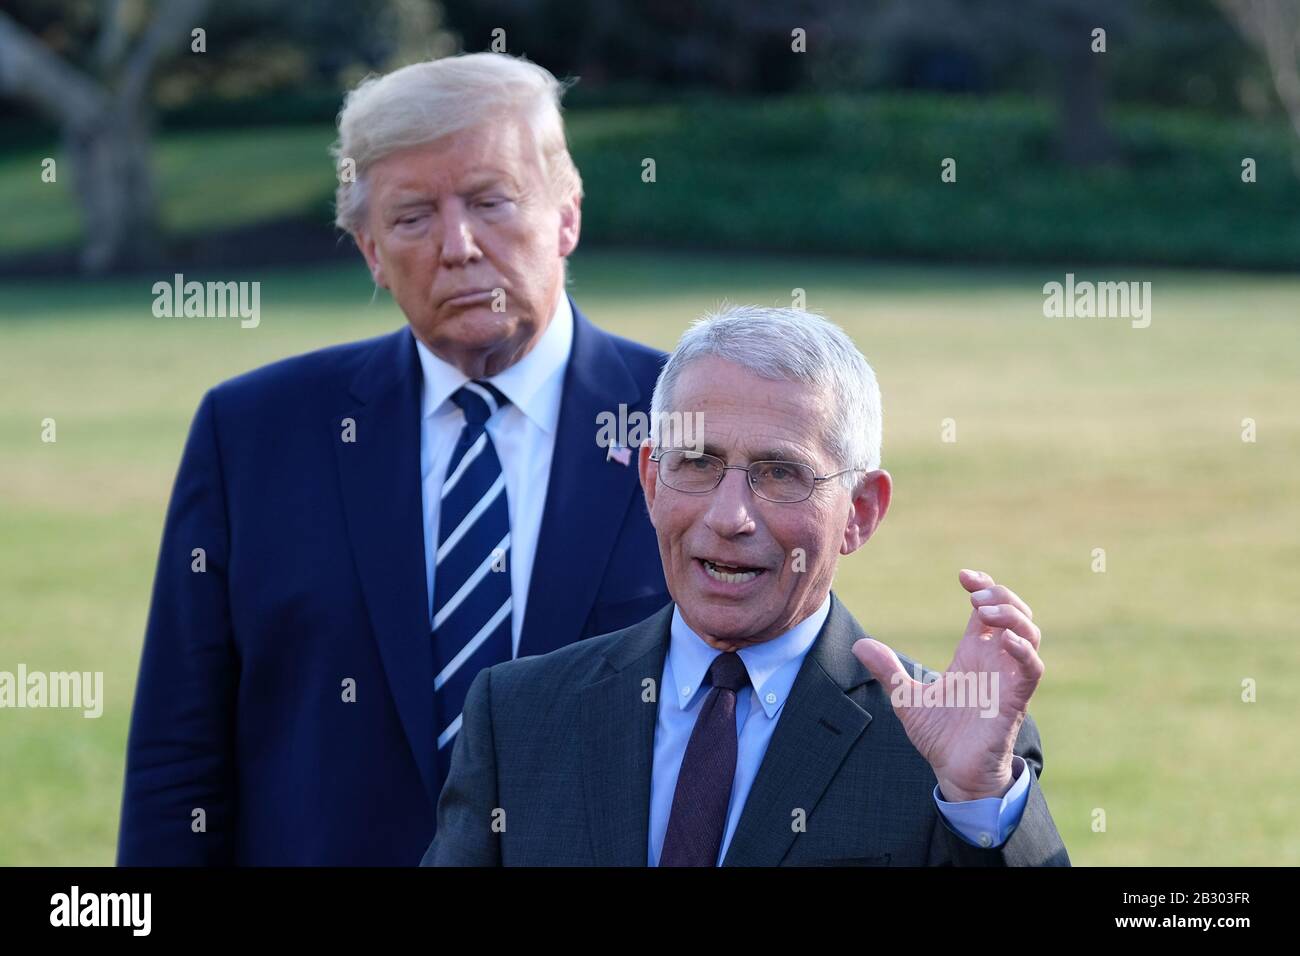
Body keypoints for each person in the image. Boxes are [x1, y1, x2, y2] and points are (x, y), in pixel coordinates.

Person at [118, 53, 669, 865]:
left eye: (492, 201)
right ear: (371, 251)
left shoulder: (689, 420)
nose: (459, 245)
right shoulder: (252, 435)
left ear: (566, 217)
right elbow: (177, 755)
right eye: (413, 217)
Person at [424, 305, 1069, 866]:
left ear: (861, 511)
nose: (730, 516)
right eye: (697, 463)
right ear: (651, 481)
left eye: (781, 473)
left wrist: (978, 802)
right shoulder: (519, 717)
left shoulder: (943, 746)